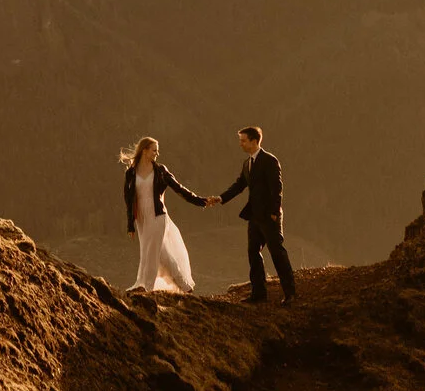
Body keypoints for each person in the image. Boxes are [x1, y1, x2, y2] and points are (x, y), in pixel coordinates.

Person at [207, 125, 296, 304]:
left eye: (243, 141)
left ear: (254, 141)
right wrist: (220, 198)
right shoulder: (247, 163)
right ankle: (258, 293)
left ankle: (290, 293)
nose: (240, 144)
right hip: (254, 217)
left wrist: (273, 213)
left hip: (269, 217)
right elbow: (240, 185)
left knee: (277, 252)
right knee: (253, 252)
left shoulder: (270, 160)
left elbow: (277, 189)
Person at [119, 136, 205, 293]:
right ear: (144, 151)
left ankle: (146, 286)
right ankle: (184, 285)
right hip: (141, 217)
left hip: (158, 215)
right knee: (160, 253)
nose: (157, 154)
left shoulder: (160, 171)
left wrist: (200, 201)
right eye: (154, 150)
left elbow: (179, 189)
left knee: (150, 251)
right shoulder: (131, 173)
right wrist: (130, 223)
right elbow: (128, 199)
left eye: (157, 151)